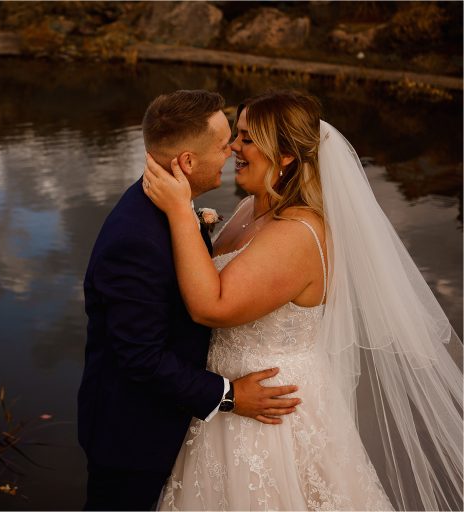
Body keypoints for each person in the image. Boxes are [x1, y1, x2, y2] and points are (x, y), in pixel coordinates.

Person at [142, 89, 463, 511]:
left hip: (272, 414)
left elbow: (211, 307)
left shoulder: (298, 232)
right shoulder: (250, 211)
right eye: (236, 135)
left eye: (247, 138)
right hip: (230, 401)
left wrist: (179, 213)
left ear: (286, 156)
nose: (233, 147)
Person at [77, 90, 304, 511]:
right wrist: (230, 395)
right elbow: (140, 357)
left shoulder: (168, 208)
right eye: (223, 144)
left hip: (180, 420)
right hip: (133, 437)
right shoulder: (135, 238)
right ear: (186, 162)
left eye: (239, 140)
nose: (232, 150)